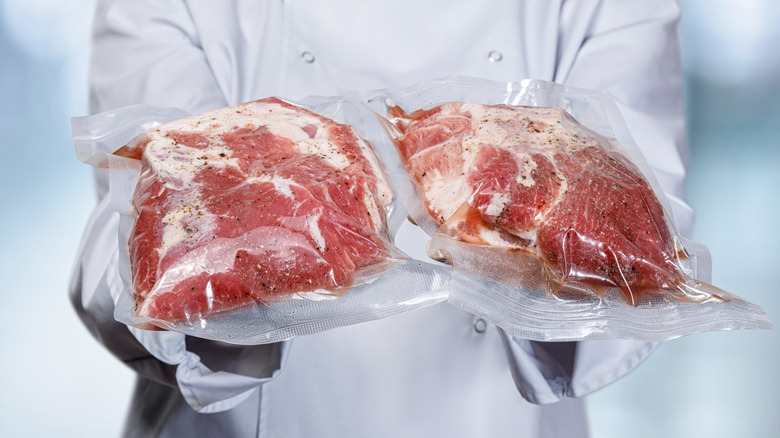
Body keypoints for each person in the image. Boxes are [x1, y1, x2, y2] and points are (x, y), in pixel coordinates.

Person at [71, 1, 693, 437]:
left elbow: (641, 211)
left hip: (497, 419)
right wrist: (214, 282)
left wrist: (516, 216)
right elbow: (144, 215)